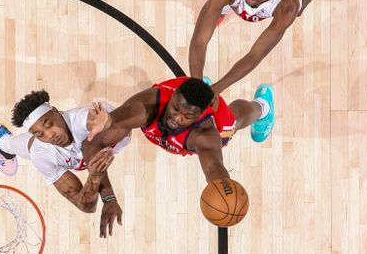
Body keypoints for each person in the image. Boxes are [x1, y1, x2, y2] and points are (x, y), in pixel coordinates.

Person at [189, 0, 343, 98]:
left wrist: (217, 88)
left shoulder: (287, 5)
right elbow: (199, 40)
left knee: (301, 6)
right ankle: (220, 12)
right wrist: (197, 85)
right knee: (212, 14)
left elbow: (256, 54)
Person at [0, 90, 131, 238]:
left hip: (110, 133)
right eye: (39, 134)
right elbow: (85, 205)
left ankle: (6, 141)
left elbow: (91, 120)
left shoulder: (82, 119)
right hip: (45, 152)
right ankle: (2, 141)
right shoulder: (42, 152)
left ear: (57, 112)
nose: (50, 135)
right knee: (31, 148)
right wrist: (94, 176)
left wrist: (105, 122)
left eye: (49, 124)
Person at [84, 77, 274, 184]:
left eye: (186, 116)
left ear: (199, 115)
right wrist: (107, 120)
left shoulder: (204, 135)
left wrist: (224, 188)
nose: (176, 118)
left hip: (214, 123)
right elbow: (115, 120)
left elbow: (213, 168)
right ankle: (201, 87)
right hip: (178, 104)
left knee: (234, 121)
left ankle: (263, 107)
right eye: (175, 109)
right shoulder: (146, 106)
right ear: (173, 96)